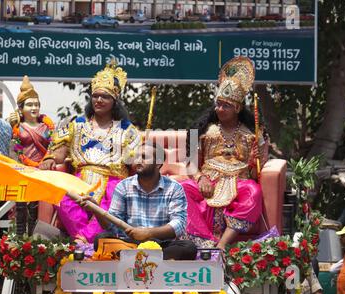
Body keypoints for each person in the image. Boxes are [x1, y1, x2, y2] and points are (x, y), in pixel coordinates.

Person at [40, 62, 141, 243]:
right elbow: (59, 152)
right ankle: (84, 238)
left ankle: (82, 241)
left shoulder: (127, 130)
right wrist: (49, 158)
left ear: (114, 101)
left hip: (113, 181)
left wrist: (140, 159)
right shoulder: (77, 124)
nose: (99, 100)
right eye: (95, 96)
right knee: (65, 198)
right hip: (81, 180)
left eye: (105, 96)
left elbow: (133, 162)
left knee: (112, 201)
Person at [180, 56, 265, 250]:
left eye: (225, 105)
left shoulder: (254, 134)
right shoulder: (199, 131)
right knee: (180, 188)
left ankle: (223, 244)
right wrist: (200, 178)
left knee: (254, 191)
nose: (219, 109)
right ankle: (204, 241)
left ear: (237, 108)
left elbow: (256, 176)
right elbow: (190, 163)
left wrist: (253, 162)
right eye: (218, 104)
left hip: (239, 181)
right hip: (208, 179)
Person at [80, 141, 197, 261]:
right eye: (136, 157)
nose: (138, 160)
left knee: (188, 248)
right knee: (101, 239)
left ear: (158, 164)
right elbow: (112, 228)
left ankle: (132, 260)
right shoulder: (123, 186)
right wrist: (96, 210)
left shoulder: (174, 188)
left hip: (160, 245)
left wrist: (148, 233)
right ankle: (152, 261)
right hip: (129, 244)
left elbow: (179, 225)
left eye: (144, 157)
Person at [8, 75, 55, 236]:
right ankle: (20, 239)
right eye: (29, 105)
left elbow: (53, 146)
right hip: (23, 171)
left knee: (37, 208)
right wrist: (13, 127)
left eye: (36, 104)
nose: (34, 108)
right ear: (20, 109)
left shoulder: (46, 126)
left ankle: (35, 239)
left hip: (42, 171)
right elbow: (14, 149)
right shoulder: (18, 127)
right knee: (21, 208)